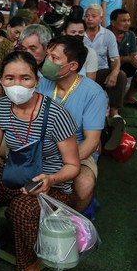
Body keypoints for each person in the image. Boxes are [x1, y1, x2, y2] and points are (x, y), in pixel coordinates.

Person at [0, 51, 80, 271]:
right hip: (14, 176)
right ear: (1, 80)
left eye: (25, 78)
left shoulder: (57, 115)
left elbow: (73, 166)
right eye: (10, 78)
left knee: (21, 209)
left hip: (52, 187)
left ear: (36, 80)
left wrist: (51, 179)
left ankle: (30, 266)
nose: (17, 84)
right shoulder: (0, 108)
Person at [37, 36, 107, 213]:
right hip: (39, 144)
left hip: (76, 152)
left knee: (84, 184)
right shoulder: (42, 81)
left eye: (55, 58)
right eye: (48, 56)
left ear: (73, 66)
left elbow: (91, 142)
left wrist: (63, 165)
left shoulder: (93, 93)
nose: (47, 62)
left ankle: (69, 219)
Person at [83, 4, 126, 128]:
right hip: (81, 73)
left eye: (93, 16)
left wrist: (114, 73)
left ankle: (114, 113)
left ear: (101, 18)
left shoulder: (108, 35)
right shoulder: (79, 33)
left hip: (100, 72)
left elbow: (115, 58)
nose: (89, 19)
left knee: (120, 76)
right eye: (87, 16)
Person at [109, 9, 137, 111]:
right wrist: (128, 58)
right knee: (120, 74)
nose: (127, 23)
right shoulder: (106, 34)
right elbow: (106, 58)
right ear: (113, 23)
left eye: (128, 20)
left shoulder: (131, 35)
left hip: (123, 64)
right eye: (123, 21)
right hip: (108, 66)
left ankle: (130, 97)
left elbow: (133, 54)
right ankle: (113, 105)